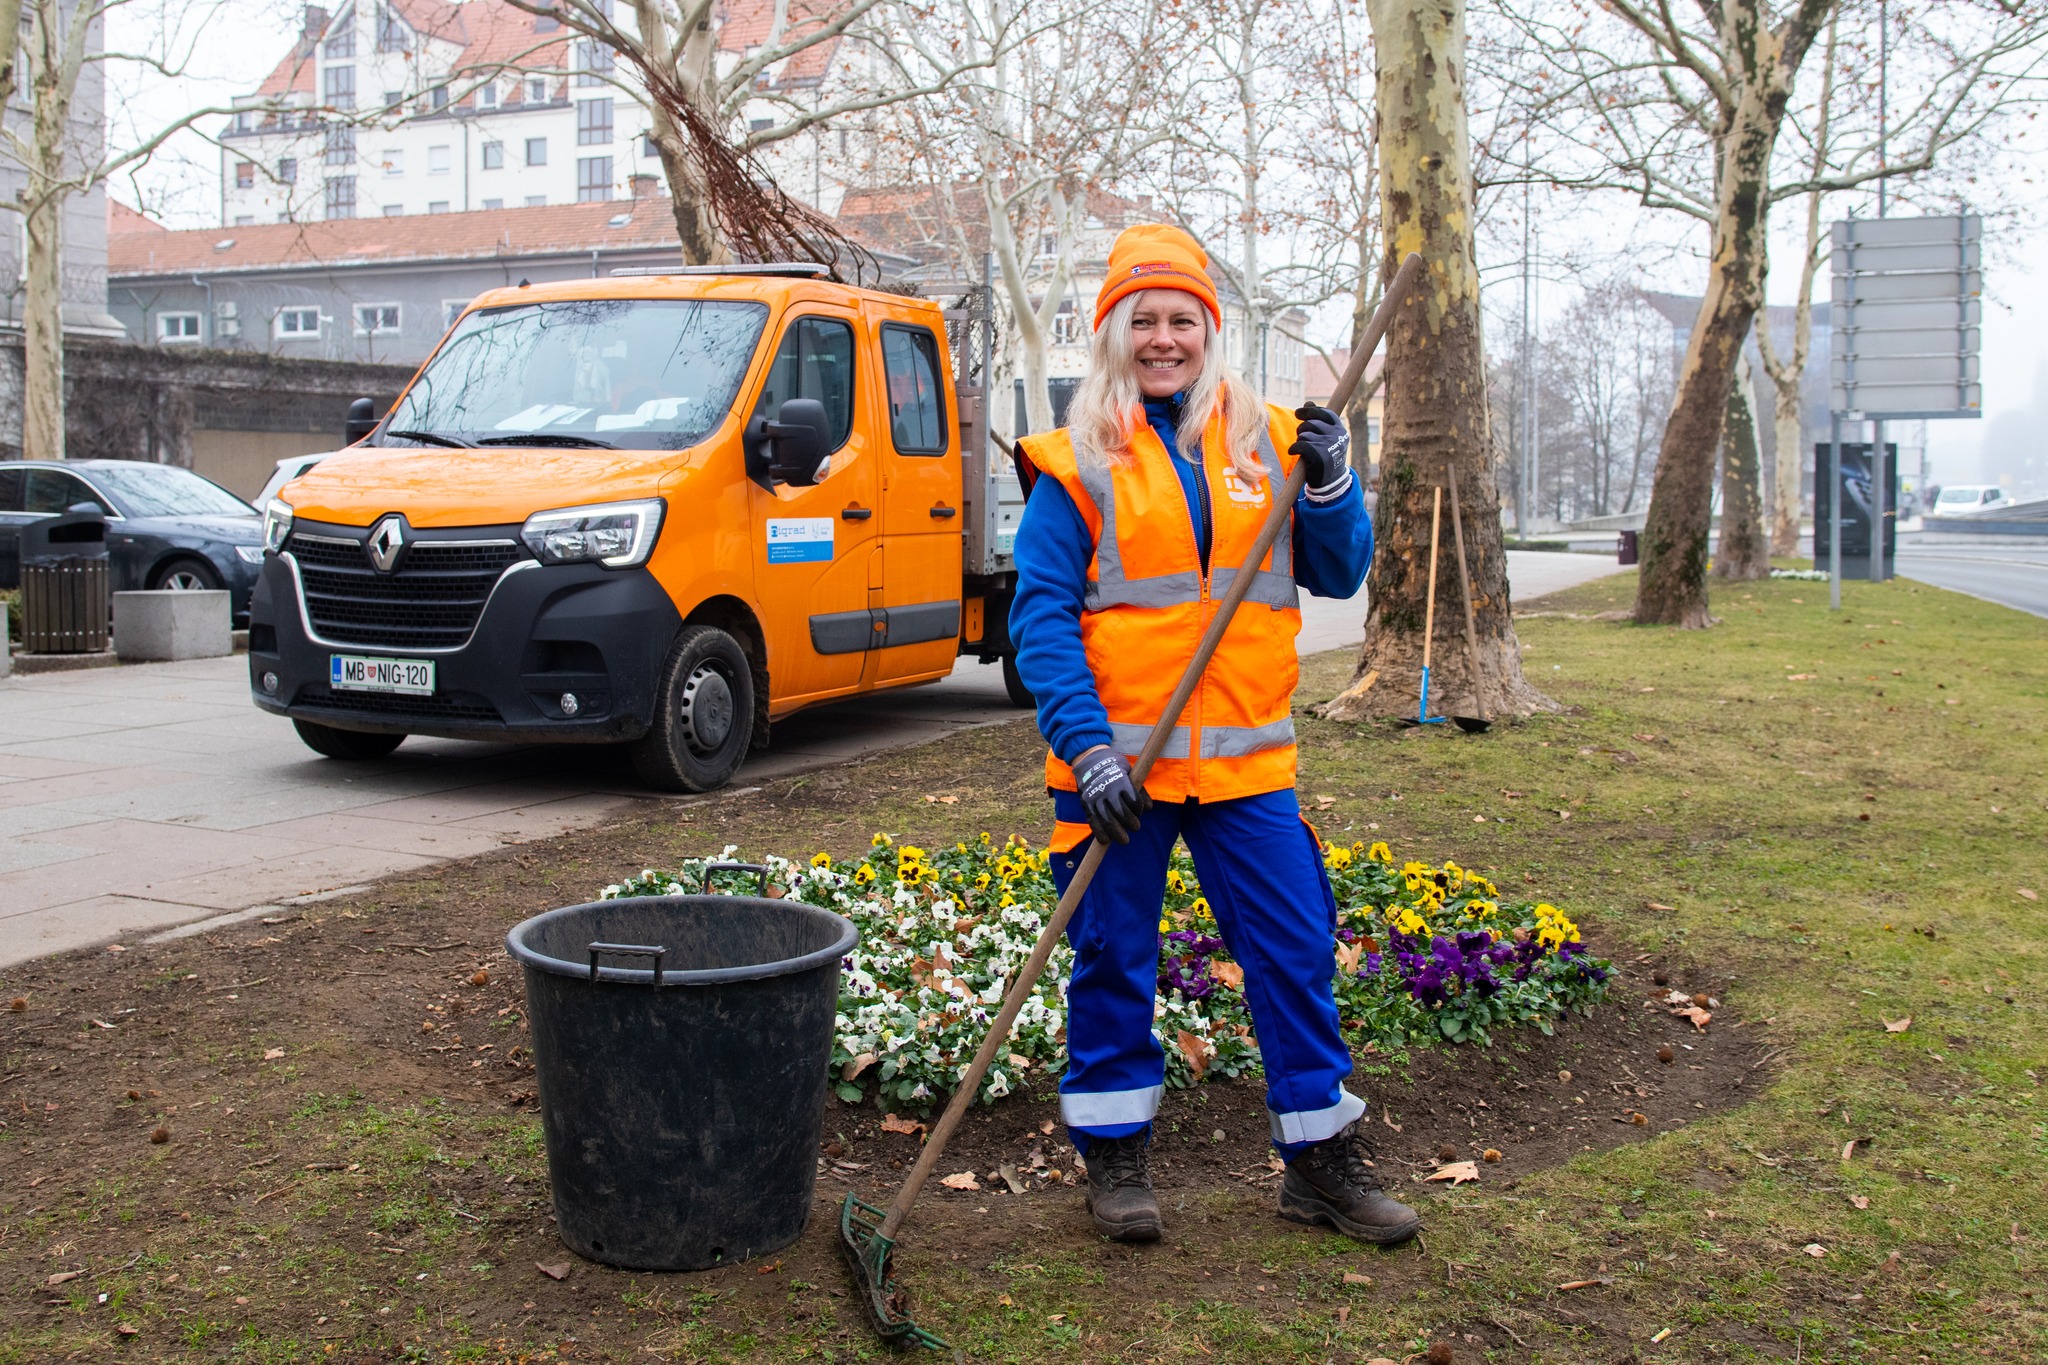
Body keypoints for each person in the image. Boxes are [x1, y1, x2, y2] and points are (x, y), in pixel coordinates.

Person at [1010, 223, 1421, 1247]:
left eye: (1179, 320)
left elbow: (1336, 570)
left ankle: (1319, 1166)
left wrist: (1329, 484)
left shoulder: (1269, 442)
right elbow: (1042, 623)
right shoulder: (1074, 465)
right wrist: (1091, 748)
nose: (1162, 338)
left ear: (1209, 330)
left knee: (1292, 952)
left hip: (1245, 768)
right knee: (1111, 959)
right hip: (1116, 771)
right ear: (1112, 336)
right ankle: (1113, 1162)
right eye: (1140, 321)